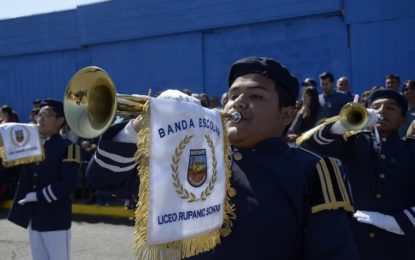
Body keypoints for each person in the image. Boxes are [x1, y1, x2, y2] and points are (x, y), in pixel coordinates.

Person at [86, 57, 359, 259]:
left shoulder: (313, 170)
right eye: (233, 95)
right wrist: (141, 125)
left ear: (287, 115)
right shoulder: (190, 157)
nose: (237, 103)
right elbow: (104, 178)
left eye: (255, 96)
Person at [300, 89, 415, 259]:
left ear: (402, 120)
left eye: (390, 107)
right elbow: (310, 141)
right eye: (375, 107)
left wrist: (396, 222)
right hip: (354, 241)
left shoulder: (411, 149)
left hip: (398, 243)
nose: (381, 110)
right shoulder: (354, 142)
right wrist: (347, 122)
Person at [8, 99, 80, 260]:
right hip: (35, 219)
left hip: (56, 220)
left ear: (60, 121)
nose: (40, 118)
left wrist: (38, 196)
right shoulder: (33, 146)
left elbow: (69, 183)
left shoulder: (68, 147)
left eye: (46, 115)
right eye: (38, 115)